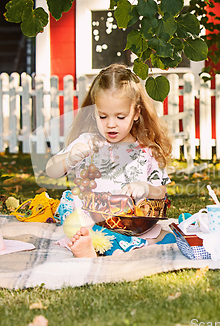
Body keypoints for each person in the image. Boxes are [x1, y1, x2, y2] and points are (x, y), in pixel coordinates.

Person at [45, 63, 173, 257]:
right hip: (89, 218)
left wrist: (146, 188)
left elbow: (161, 191)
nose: (111, 124)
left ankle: (104, 245)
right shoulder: (87, 142)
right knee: (79, 219)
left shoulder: (146, 151)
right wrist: (69, 158)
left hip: (128, 223)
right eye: (102, 116)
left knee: (159, 234)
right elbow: (51, 171)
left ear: (136, 113)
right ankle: (93, 245)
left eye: (120, 117)